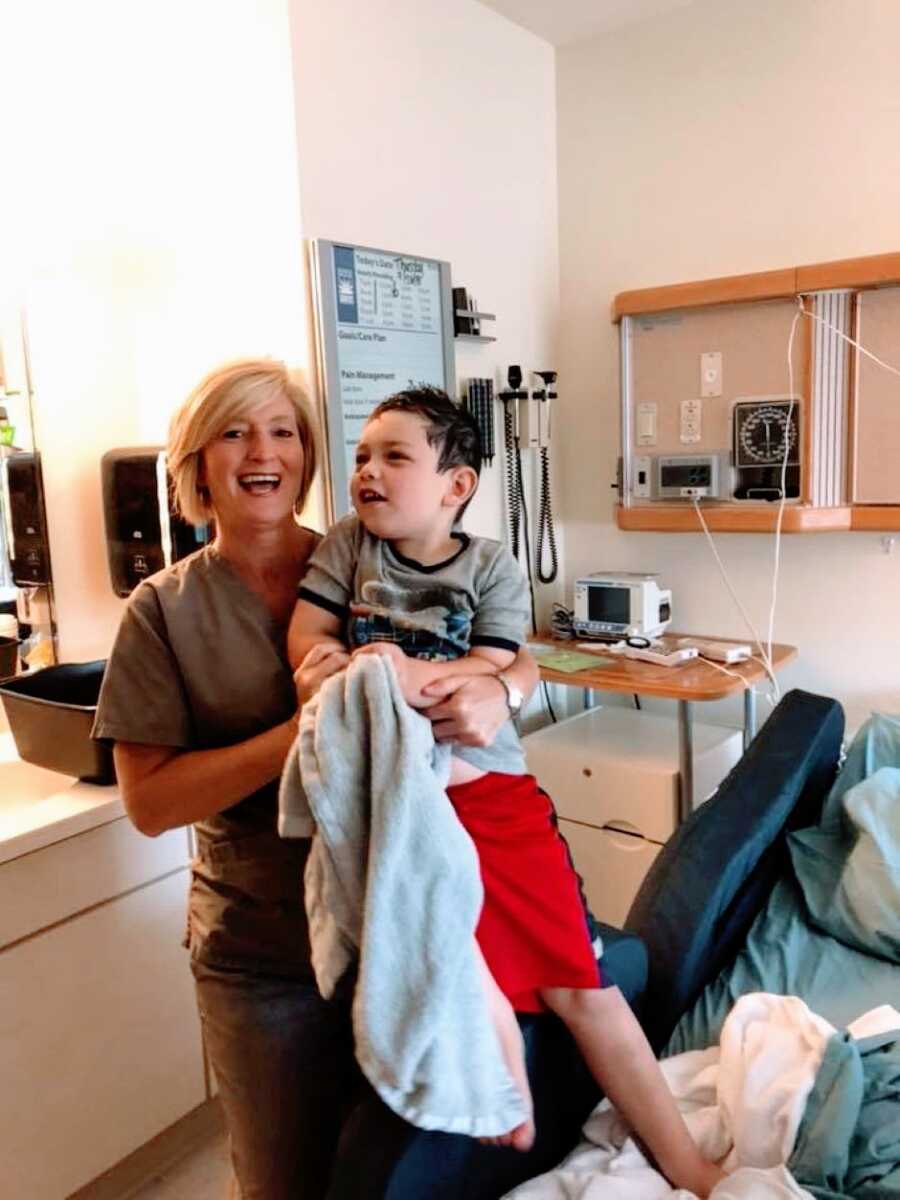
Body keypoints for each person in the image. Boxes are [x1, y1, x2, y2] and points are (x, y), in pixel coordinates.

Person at [91, 359, 540, 1200]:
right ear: (195, 462)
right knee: (285, 1181)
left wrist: (502, 687)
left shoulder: (366, 551)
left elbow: (512, 642)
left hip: (396, 922)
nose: (262, 451)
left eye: (284, 431)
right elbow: (149, 804)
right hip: (262, 954)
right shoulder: (162, 610)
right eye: (234, 431)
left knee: (408, 1172)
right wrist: (301, 731)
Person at [287, 388, 726, 1196]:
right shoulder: (348, 548)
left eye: (394, 457)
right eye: (360, 457)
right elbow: (307, 644)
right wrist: (344, 668)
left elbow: (494, 668)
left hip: (487, 793)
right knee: (441, 952)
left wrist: (391, 672)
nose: (367, 473)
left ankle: (689, 1165)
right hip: (394, 802)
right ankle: (495, 1083)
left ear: (456, 485)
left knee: (581, 988)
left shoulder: (490, 566)